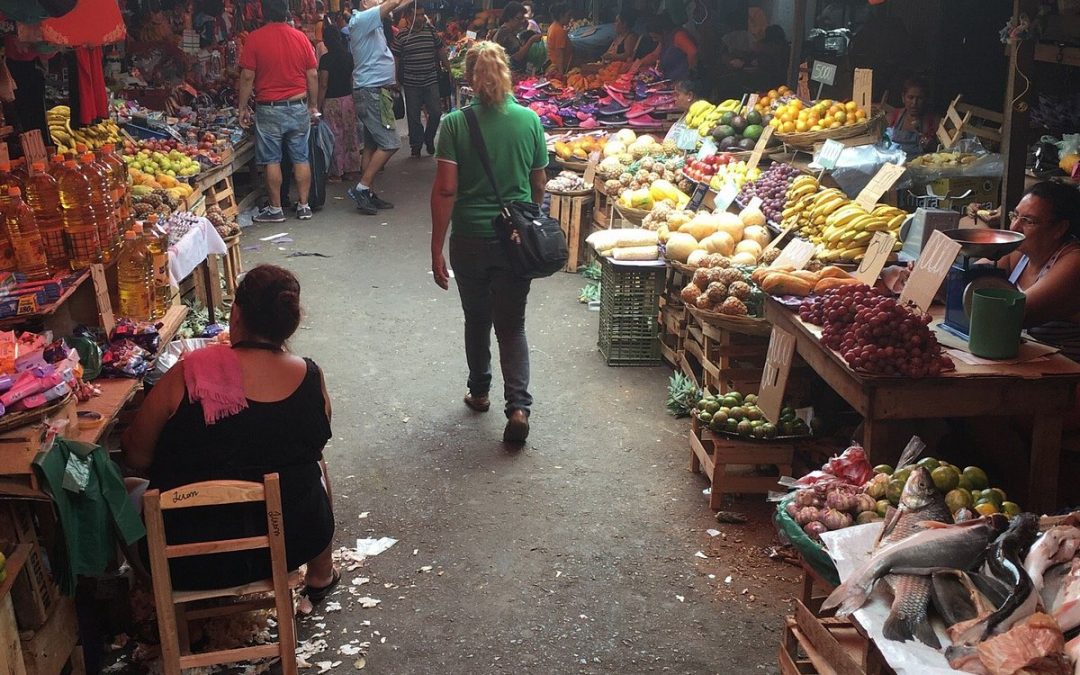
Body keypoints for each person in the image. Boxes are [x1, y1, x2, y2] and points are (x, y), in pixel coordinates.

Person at [121, 265, 338, 597]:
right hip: (288, 548)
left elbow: (136, 455)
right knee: (314, 467)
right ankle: (321, 576)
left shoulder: (186, 376)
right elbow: (315, 442)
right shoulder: (310, 376)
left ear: (235, 314)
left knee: (124, 489)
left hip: (185, 561)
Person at [429, 42, 547, 445]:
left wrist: (435, 247)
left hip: (470, 239)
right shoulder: (530, 120)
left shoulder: (454, 124)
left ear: (468, 77)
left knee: (477, 318)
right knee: (512, 326)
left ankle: (480, 392)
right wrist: (527, 220)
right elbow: (539, 183)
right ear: (506, 73)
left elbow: (446, 191)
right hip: (513, 241)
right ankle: (518, 407)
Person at [237, 0, 319, 222]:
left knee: (271, 159)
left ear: (264, 13)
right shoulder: (300, 37)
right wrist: (313, 104)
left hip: (269, 108)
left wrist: (242, 107)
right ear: (286, 13)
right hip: (298, 105)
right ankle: (303, 206)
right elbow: (312, 74)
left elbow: (247, 76)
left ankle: (276, 210)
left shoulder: (255, 38)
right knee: (301, 157)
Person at [997, 182, 1080, 360]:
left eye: (1028, 221)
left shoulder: (1074, 262)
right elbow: (970, 277)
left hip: (1065, 376)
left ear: (1059, 229)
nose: (1014, 228)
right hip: (1025, 365)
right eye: (1015, 216)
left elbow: (1014, 313)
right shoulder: (1020, 252)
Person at [346, 0, 414, 216]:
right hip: (371, 91)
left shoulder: (369, 21)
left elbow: (396, 5)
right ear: (365, 2)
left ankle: (368, 193)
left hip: (373, 90)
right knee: (390, 143)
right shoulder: (362, 18)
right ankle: (362, 188)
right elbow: (393, 3)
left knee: (371, 146)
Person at [392, 4, 449, 157]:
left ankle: (429, 138)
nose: (420, 18)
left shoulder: (430, 31)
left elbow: (441, 50)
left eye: (422, 15)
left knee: (436, 112)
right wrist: (395, 78)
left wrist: (448, 68)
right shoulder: (401, 35)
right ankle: (416, 145)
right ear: (409, 17)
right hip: (411, 83)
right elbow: (396, 58)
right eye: (417, 15)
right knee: (413, 116)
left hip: (431, 80)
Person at [318, 22, 364, 181]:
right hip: (348, 100)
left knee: (335, 137)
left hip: (332, 102)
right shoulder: (348, 56)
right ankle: (352, 170)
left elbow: (323, 84)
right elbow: (352, 80)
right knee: (351, 135)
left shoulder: (325, 59)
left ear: (326, 41)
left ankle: (337, 172)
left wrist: (318, 105)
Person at [886, 76, 940, 158]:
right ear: (903, 98)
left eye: (920, 98)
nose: (914, 103)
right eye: (910, 97)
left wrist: (932, 146)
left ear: (926, 99)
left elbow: (943, 150)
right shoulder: (892, 118)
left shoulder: (933, 122)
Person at [630, 15, 697, 81]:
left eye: (655, 37)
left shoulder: (678, 36)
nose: (654, 40)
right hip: (669, 80)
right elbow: (655, 55)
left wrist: (691, 74)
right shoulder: (664, 40)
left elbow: (693, 52)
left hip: (681, 82)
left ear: (664, 32)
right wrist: (638, 64)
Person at [492, 2, 542, 74]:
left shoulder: (510, 31)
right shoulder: (505, 33)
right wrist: (531, 41)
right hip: (507, 74)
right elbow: (516, 57)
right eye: (518, 18)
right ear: (509, 17)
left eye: (523, 19)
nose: (521, 22)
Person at [546, 4, 573, 75]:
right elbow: (559, 54)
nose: (570, 18)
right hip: (557, 68)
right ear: (561, 15)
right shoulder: (558, 30)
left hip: (554, 66)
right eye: (568, 16)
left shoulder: (553, 26)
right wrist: (561, 74)